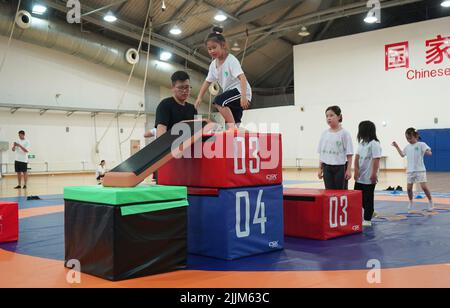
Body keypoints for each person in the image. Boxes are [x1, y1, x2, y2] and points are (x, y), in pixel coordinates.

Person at [195, 27, 252, 129]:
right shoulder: (213, 65)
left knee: (219, 101)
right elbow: (207, 82)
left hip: (241, 91)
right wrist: (199, 97)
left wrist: (243, 96)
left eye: (214, 47)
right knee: (232, 121)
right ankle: (234, 131)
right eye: (209, 49)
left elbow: (243, 78)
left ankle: (233, 128)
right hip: (230, 95)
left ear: (223, 45)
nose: (212, 51)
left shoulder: (231, 60)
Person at [145, 71, 198, 139]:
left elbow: (198, 131)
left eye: (187, 87)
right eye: (181, 88)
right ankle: (153, 131)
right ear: (172, 88)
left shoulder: (193, 108)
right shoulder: (165, 105)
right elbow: (161, 134)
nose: (184, 91)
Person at [392, 128, 434, 212]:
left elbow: (429, 152)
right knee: (408, 189)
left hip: (420, 170)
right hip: (410, 171)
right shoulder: (407, 147)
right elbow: (402, 155)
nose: (409, 140)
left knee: (424, 187)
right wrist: (397, 147)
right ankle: (410, 202)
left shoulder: (421, 144)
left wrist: (428, 152)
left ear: (416, 136)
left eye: (410, 138)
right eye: (407, 138)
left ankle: (430, 201)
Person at [317, 106, 354, 190]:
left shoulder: (344, 134)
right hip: (326, 168)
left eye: (331, 115)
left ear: (339, 117)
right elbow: (321, 153)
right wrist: (320, 168)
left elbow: (349, 154)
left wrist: (348, 170)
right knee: (329, 192)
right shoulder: (324, 134)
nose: (329, 118)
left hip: (340, 167)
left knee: (341, 192)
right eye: (327, 116)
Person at [354, 121, 382, 227]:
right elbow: (356, 158)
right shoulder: (361, 143)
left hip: (369, 177)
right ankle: (370, 211)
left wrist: (374, 174)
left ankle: (367, 219)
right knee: (358, 198)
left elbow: (376, 160)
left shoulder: (374, 144)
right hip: (360, 176)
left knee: (368, 198)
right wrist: (356, 170)